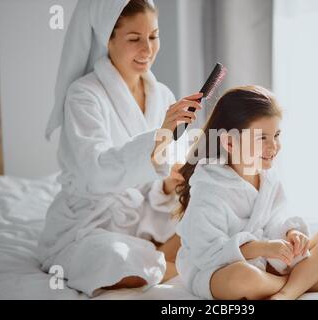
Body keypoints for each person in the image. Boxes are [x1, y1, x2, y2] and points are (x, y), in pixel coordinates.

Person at [38, 0, 200, 297]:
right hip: (91, 222)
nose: (148, 49)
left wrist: (170, 182)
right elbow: (96, 171)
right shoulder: (83, 96)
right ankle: (168, 258)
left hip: (146, 217)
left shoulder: (161, 94)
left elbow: (158, 180)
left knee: (214, 215)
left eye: (154, 36)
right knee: (113, 258)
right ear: (107, 38)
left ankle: (159, 256)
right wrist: (160, 137)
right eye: (135, 39)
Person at [175, 86, 318, 300]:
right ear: (230, 142)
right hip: (215, 270)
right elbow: (207, 253)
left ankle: (284, 294)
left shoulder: (268, 177)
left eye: (277, 135)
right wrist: (262, 248)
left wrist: (290, 234)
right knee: (242, 278)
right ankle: (300, 284)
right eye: (262, 138)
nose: (274, 146)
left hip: (264, 261)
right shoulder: (209, 188)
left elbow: (275, 219)